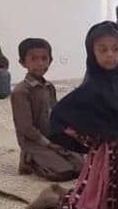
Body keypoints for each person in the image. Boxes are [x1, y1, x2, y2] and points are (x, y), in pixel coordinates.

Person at [24, 21, 118, 209]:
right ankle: (53, 197)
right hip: (106, 153)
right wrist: (92, 140)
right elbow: (61, 116)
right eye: (103, 50)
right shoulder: (93, 86)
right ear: (92, 52)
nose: (110, 55)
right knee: (95, 203)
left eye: (115, 49)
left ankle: (60, 192)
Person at [10, 37, 83, 181]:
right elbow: (26, 128)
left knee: (81, 167)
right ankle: (29, 159)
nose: (40, 63)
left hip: (52, 138)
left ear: (50, 60)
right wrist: (49, 144)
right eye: (34, 59)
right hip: (33, 141)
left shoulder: (49, 87)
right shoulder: (21, 91)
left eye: (44, 58)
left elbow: (56, 116)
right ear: (23, 62)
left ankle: (48, 156)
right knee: (63, 173)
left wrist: (64, 137)